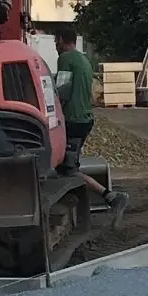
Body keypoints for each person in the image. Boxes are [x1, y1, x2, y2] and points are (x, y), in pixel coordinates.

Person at [53, 31, 130, 226]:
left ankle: (111, 197)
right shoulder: (83, 60)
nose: (56, 45)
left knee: (67, 170)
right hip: (85, 119)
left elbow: (62, 91)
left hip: (72, 121)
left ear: (62, 40)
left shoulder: (65, 58)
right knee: (66, 167)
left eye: (56, 41)